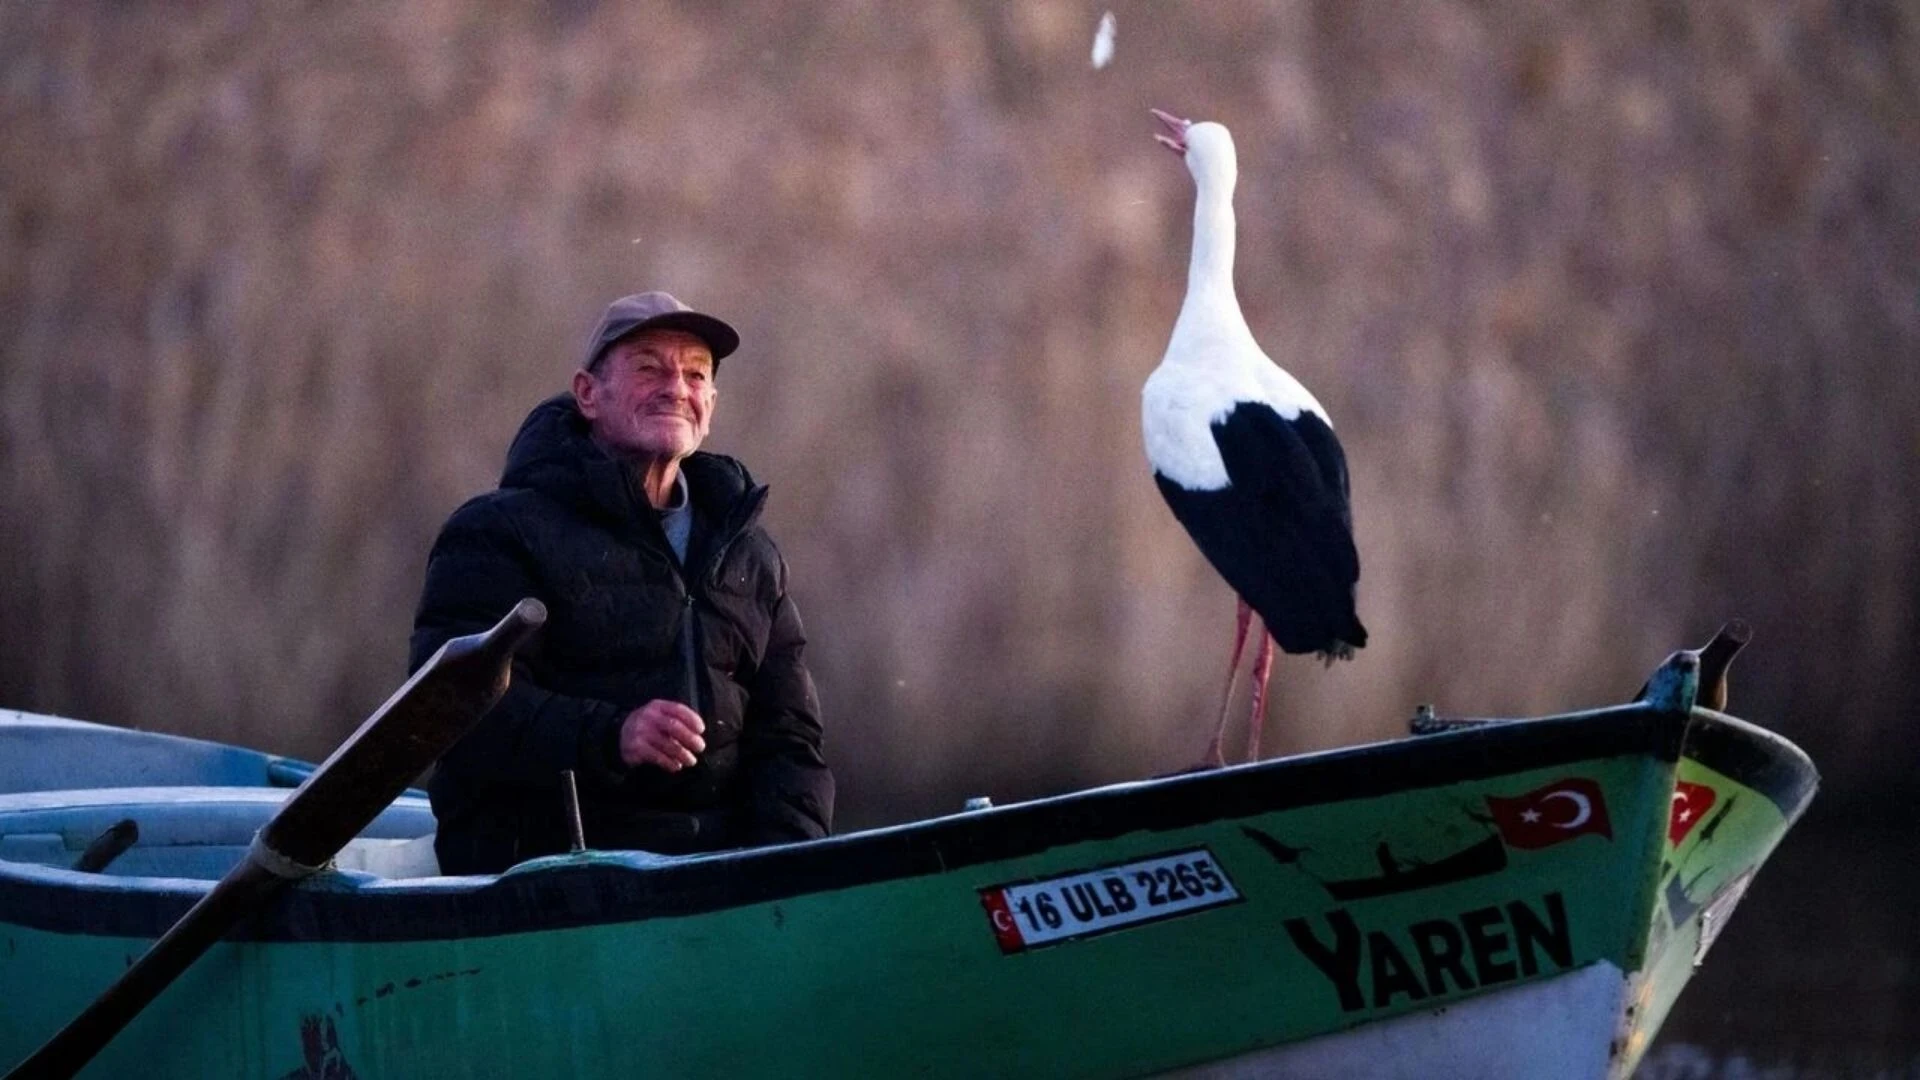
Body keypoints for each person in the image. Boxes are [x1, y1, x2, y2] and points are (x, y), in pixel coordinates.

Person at [411, 291, 833, 874]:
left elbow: (790, 741)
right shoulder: (497, 532)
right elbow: (450, 711)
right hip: (542, 887)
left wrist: (783, 872)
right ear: (588, 394)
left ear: (711, 403)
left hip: (717, 884)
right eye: (648, 368)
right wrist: (611, 736)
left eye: (695, 374)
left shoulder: (752, 556)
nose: (675, 389)